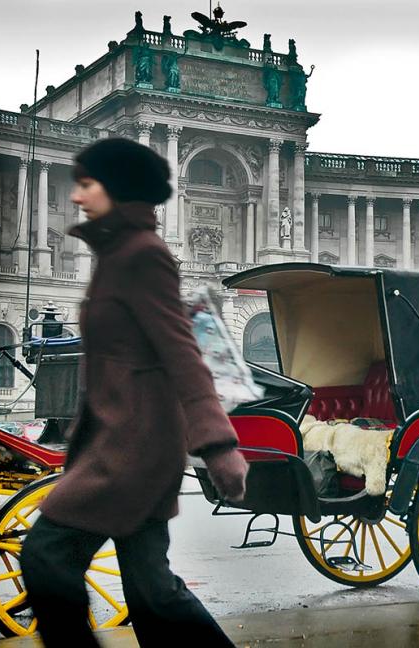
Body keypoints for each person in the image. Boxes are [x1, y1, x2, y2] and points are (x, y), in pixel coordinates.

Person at [20, 138, 249, 647]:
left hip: (134, 449)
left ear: (116, 187)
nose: (77, 196)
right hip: (121, 442)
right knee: (153, 592)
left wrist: (218, 445)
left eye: (87, 183)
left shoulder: (142, 255)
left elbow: (182, 352)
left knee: (46, 556)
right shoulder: (118, 253)